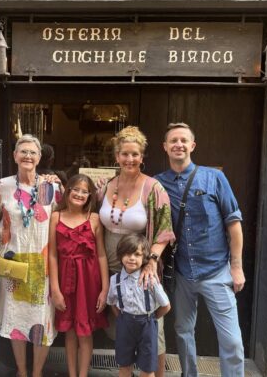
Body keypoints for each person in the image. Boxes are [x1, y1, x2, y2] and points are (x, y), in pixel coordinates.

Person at [155, 122, 245, 377]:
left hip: (216, 271)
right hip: (182, 273)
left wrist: (236, 268)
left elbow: (234, 224)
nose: (178, 145)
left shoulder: (214, 177)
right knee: (183, 332)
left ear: (192, 145)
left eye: (184, 140)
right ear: (165, 147)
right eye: (173, 140)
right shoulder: (158, 183)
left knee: (232, 341)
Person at [97, 126, 174, 377]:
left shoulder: (153, 188)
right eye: (125, 154)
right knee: (122, 326)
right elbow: (81, 202)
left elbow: (164, 230)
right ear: (116, 156)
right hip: (111, 267)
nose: (130, 159)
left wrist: (151, 261)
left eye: (135, 154)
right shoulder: (107, 185)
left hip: (141, 265)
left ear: (142, 157)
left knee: (152, 325)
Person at [0, 134, 62, 377]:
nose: (28, 156)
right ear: (15, 156)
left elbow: (62, 221)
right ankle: (21, 369)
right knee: (16, 316)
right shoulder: (2, 185)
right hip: (13, 260)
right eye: (23, 151)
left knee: (42, 318)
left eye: (32, 152)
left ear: (39, 158)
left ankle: (37, 372)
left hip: (42, 262)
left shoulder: (53, 187)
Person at [48, 174, 109, 377]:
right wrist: (55, 289)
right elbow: (53, 255)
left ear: (90, 195)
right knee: (70, 331)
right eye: (76, 189)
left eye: (85, 191)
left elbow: (101, 254)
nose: (80, 194)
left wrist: (105, 289)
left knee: (85, 331)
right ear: (68, 191)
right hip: (65, 279)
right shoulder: (56, 216)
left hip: (89, 281)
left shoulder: (94, 218)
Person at [107, 233, 171, 377]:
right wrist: (122, 318)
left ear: (144, 258)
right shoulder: (115, 280)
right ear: (120, 255)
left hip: (147, 326)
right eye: (128, 253)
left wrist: (152, 318)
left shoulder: (150, 279)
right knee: (124, 366)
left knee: (147, 369)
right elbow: (111, 302)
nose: (132, 258)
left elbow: (166, 306)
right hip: (125, 325)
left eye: (137, 254)